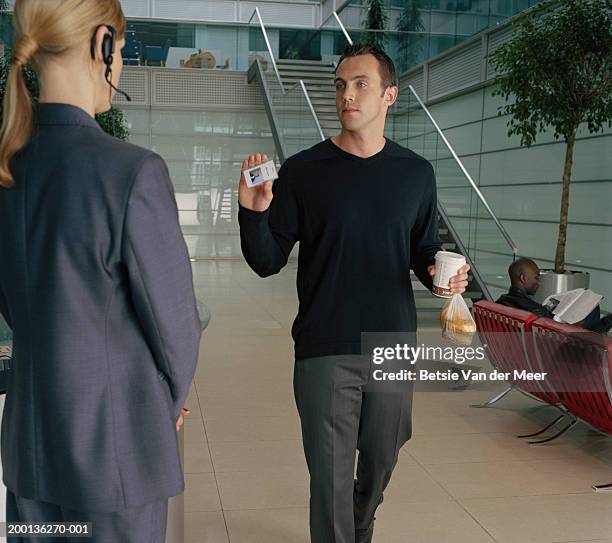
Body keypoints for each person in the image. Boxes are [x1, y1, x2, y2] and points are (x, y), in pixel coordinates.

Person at [238, 43, 469, 543]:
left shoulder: (415, 174)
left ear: (390, 95)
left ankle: (360, 525)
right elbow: (266, 260)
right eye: (340, 85)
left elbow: (423, 248)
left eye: (361, 84)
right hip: (324, 343)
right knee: (330, 478)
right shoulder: (303, 171)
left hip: (391, 341)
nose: (347, 94)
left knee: (384, 453)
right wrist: (255, 212)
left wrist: (440, 274)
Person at [0, 1, 202, 541]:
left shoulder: (8, 171)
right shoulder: (132, 172)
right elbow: (176, 328)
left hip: (30, 454)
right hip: (117, 462)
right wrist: (167, 402)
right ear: (104, 44)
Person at [496, 258, 612, 334]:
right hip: (556, 353)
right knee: (592, 308)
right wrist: (576, 326)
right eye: (536, 277)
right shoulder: (532, 310)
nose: (539, 283)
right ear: (523, 278)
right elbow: (558, 331)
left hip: (528, 350)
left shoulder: (503, 301)